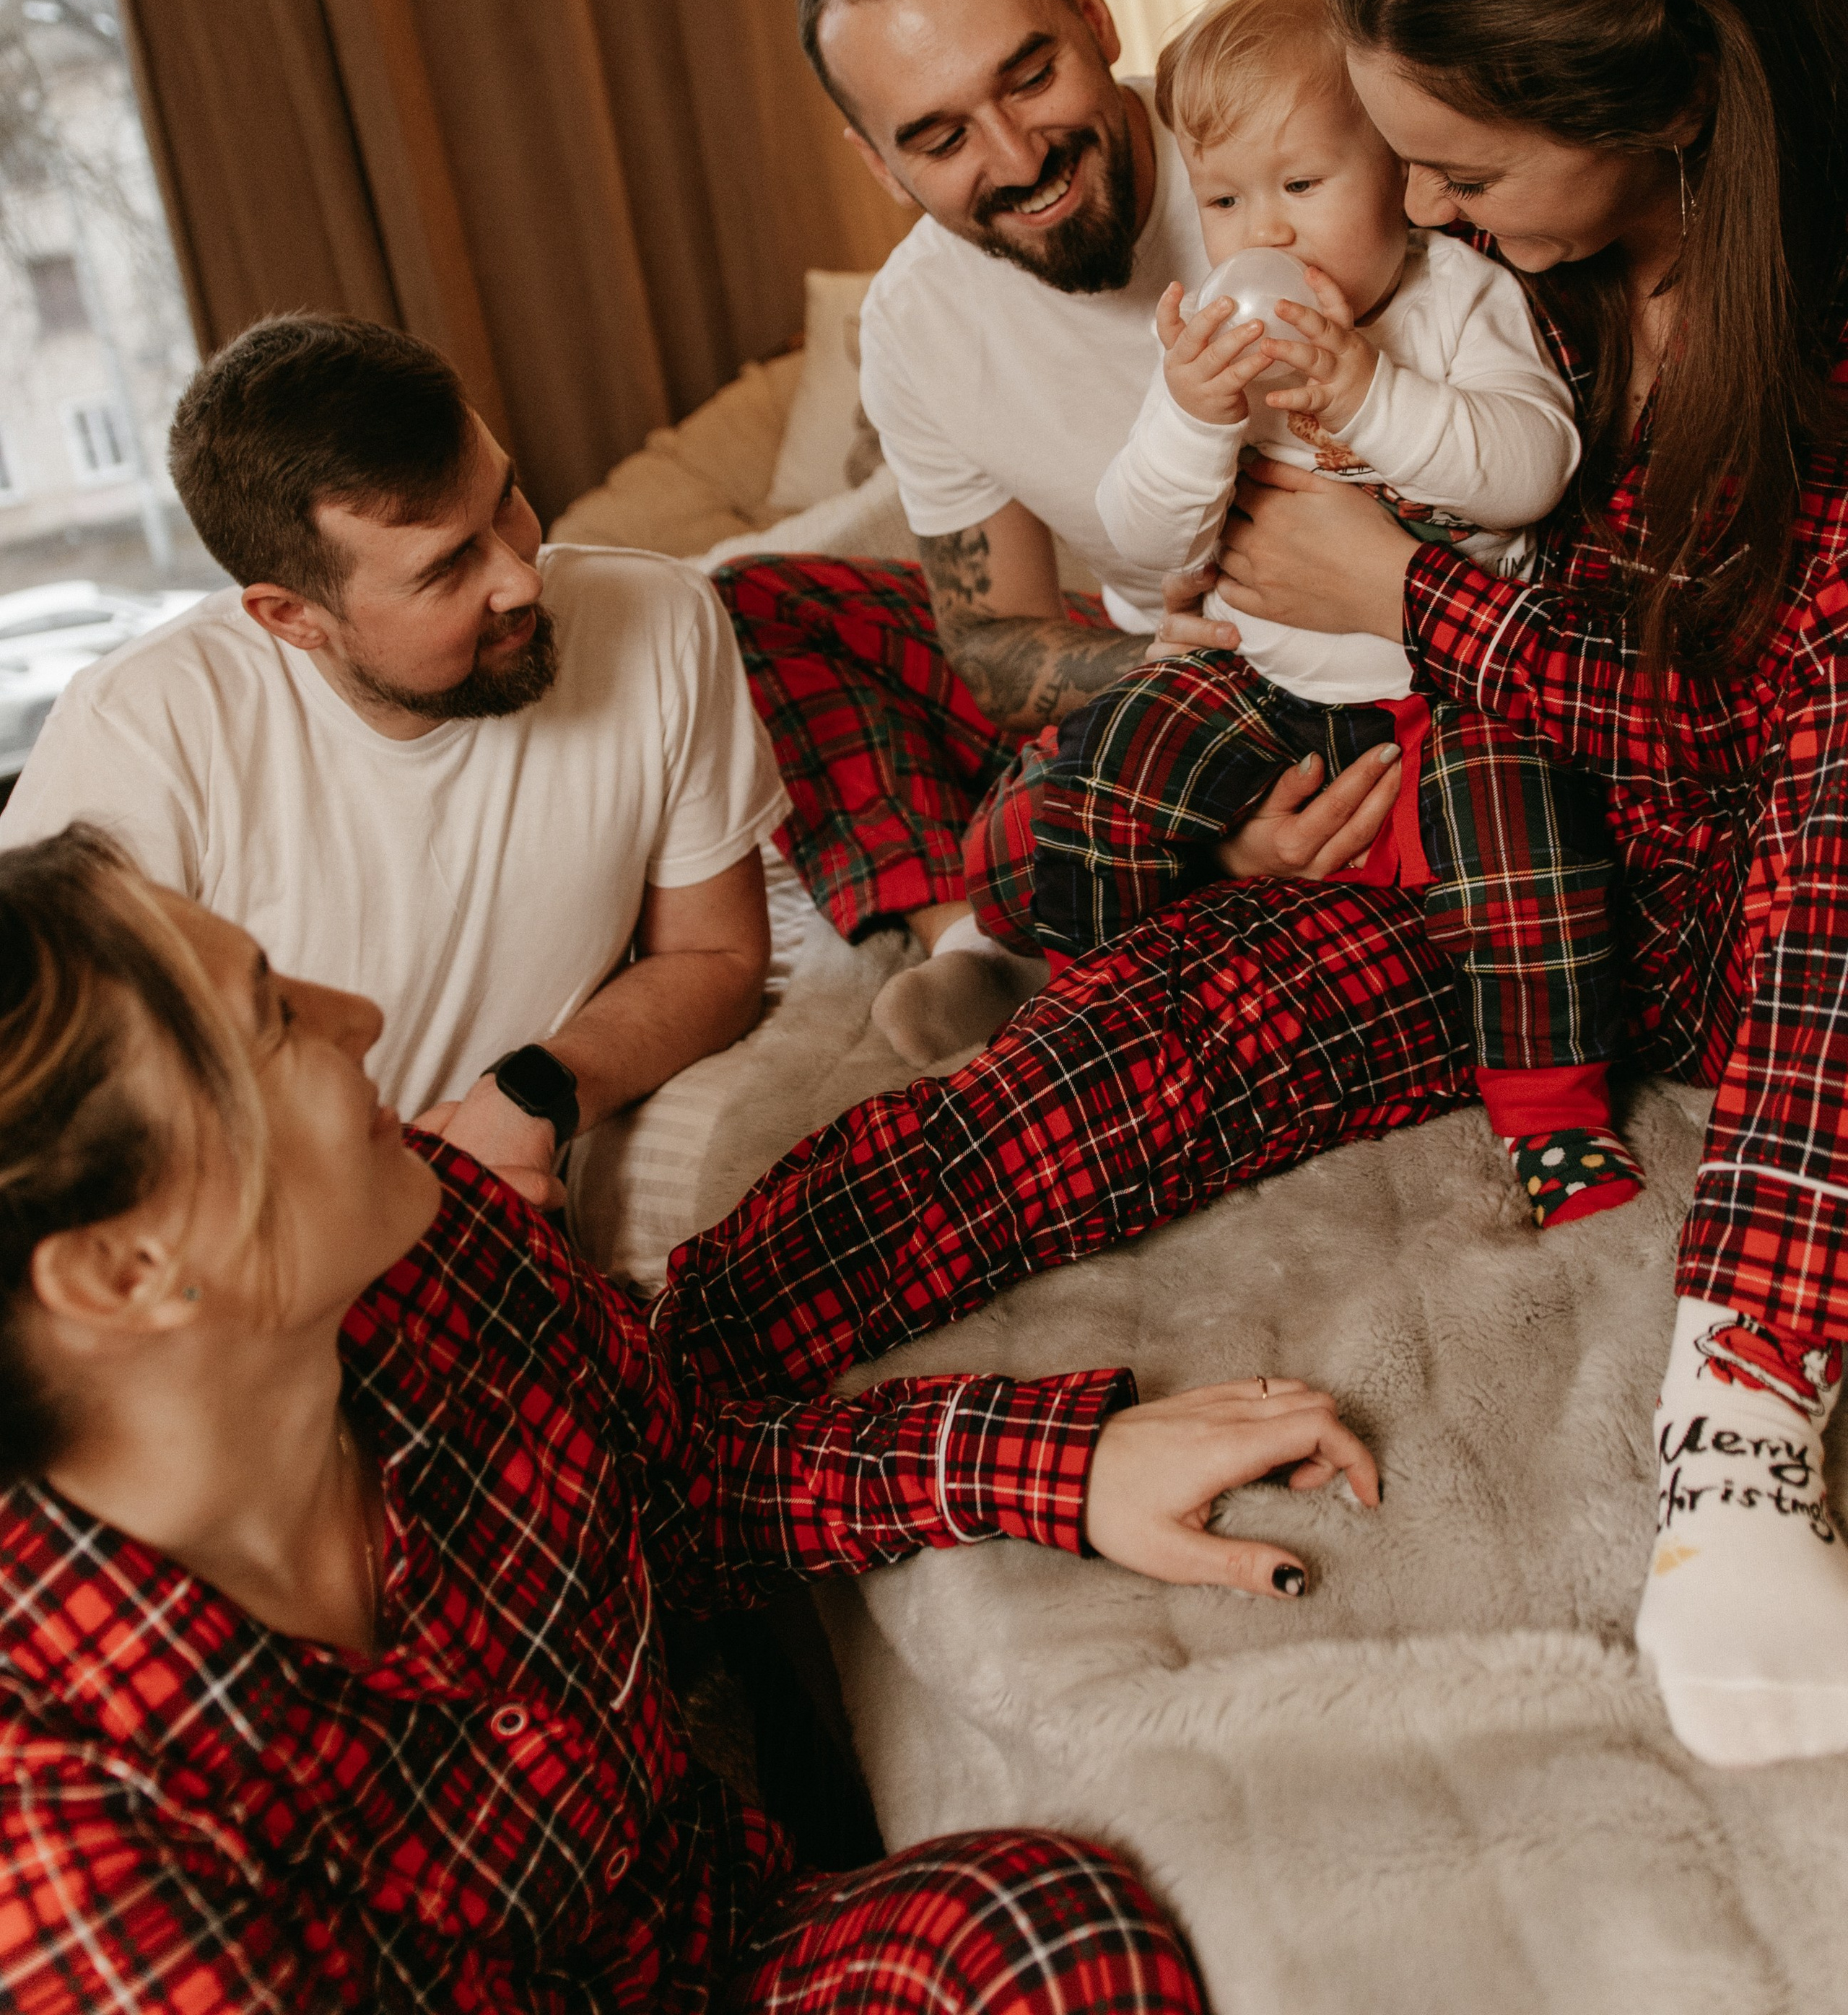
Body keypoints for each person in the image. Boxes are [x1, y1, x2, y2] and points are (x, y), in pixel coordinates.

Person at [653, 0, 1848, 1773]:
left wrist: (1413, 601)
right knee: (1095, 1075)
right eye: (1400, 164)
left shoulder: (1761, 311)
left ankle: (1746, 1391)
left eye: (1450, 171)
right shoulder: (1508, 266)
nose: (1420, 215)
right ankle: (697, 1381)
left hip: (1761, 870)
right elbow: (1061, 611)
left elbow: (1744, 724)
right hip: (1496, 845)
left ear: (1648, 116)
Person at [0, 826, 1383, 2010]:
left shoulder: (431, 1249)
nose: (354, 1012)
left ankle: (1400, 964)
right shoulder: (77, 1859)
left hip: (714, 1941)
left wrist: (1044, 1464)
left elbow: (666, 1484)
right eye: (271, 1022)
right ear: (125, 1271)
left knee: (1046, 1929)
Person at [718, 0, 1404, 1064]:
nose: (1016, 154)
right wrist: (1152, 667)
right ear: (878, 163)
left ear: (1095, 15)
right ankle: (963, 940)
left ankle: (1057, 903)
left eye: (1030, 74)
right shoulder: (915, 325)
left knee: (1051, 822)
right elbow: (991, 639)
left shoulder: (1273, 155)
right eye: (937, 137)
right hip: (1176, 661)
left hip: (1362, 654)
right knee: (744, 601)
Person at [1032, 0, 1638, 1232]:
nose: (1268, 236)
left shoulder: (1457, 299)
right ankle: (1091, 1006)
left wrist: (1370, 399)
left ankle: (1553, 1112)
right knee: (1106, 761)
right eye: (1227, 200)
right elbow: (1145, 551)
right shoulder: (1204, 341)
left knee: (1524, 826)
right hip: (1270, 676)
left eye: (1303, 186)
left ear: (1400, 174)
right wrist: (1196, 421)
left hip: (1446, 686)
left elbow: (1533, 470)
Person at [0, 316, 787, 1210]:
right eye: (448, 567)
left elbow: (716, 954)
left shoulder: (662, 618)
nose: (522, 578)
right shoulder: (136, 732)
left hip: (507, 1219)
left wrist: (531, 1095)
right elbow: (44, 1118)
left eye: (504, 498)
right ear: (292, 617)